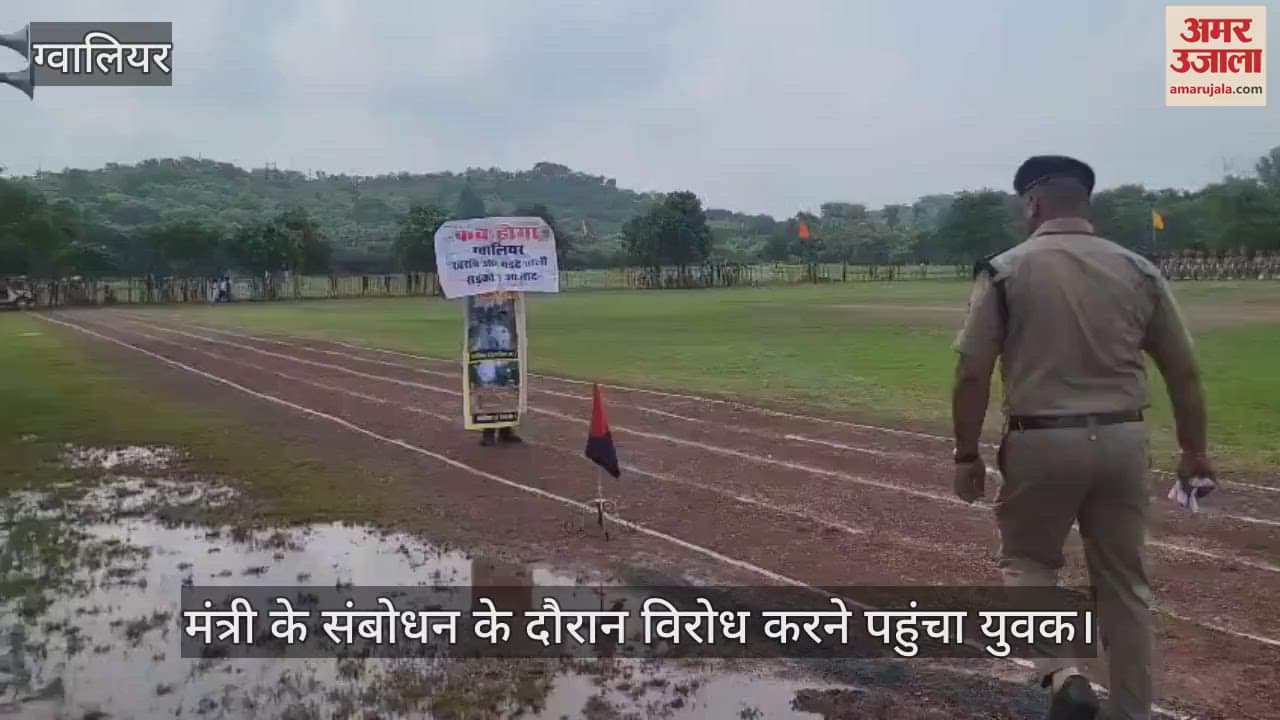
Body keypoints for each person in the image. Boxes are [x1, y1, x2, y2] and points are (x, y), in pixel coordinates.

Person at [950, 155, 1215, 720]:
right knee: (1125, 585)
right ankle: (1131, 712)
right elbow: (1184, 371)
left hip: (1042, 440)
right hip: (1123, 439)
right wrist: (1194, 452)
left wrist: (967, 453)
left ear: (1034, 202)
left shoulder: (1005, 270)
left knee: (1027, 559)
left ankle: (1062, 670)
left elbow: (972, 371)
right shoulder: (1138, 269)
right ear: (1084, 201)